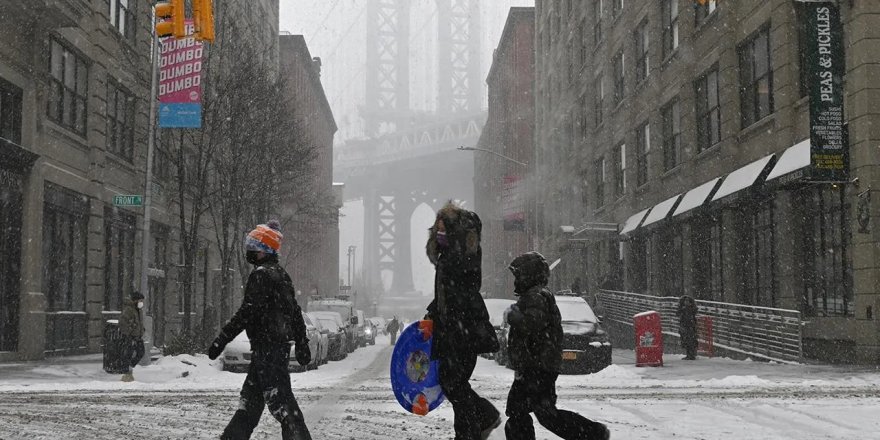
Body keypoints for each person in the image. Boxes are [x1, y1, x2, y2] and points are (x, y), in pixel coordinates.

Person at [207, 221, 313, 440]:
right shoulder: (281, 275)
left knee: (282, 405)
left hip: (267, 350)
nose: (249, 251)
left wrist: (222, 339)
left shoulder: (261, 276)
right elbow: (295, 312)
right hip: (274, 349)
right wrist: (302, 341)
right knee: (250, 403)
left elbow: (247, 313)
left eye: (253, 246)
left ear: (263, 250)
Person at [505, 252, 611, 440]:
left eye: (518, 274)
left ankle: (593, 433)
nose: (516, 279)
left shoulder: (536, 296)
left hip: (536, 367)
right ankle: (593, 433)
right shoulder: (535, 295)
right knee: (532, 412)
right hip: (536, 366)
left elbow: (533, 324)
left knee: (532, 413)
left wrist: (515, 317)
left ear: (529, 274)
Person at [422, 201, 501, 440]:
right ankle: (468, 433)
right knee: (455, 382)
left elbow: (463, 291)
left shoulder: (459, 256)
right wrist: (434, 312)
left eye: (443, 228)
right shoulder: (452, 256)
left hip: (460, 329)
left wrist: (447, 318)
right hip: (456, 327)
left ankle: (485, 416)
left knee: (452, 383)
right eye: (437, 229)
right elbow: (448, 296)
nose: (439, 232)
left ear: (454, 229)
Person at [119, 291, 146, 382]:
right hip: (131, 336)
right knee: (128, 354)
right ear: (135, 300)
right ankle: (127, 375)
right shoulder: (129, 309)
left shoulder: (139, 310)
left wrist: (142, 330)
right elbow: (123, 323)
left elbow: (138, 322)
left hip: (138, 336)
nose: (142, 302)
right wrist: (129, 332)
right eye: (140, 300)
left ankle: (129, 368)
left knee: (141, 352)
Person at [677, 295, 698, 360]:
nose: (686, 303)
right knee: (686, 341)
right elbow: (678, 314)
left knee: (690, 341)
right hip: (685, 327)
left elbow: (691, 317)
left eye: (687, 301)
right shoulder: (683, 309)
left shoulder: (691, 309)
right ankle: (689, 354)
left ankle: (691, 355)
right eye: (685, 301)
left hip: (689, 327)